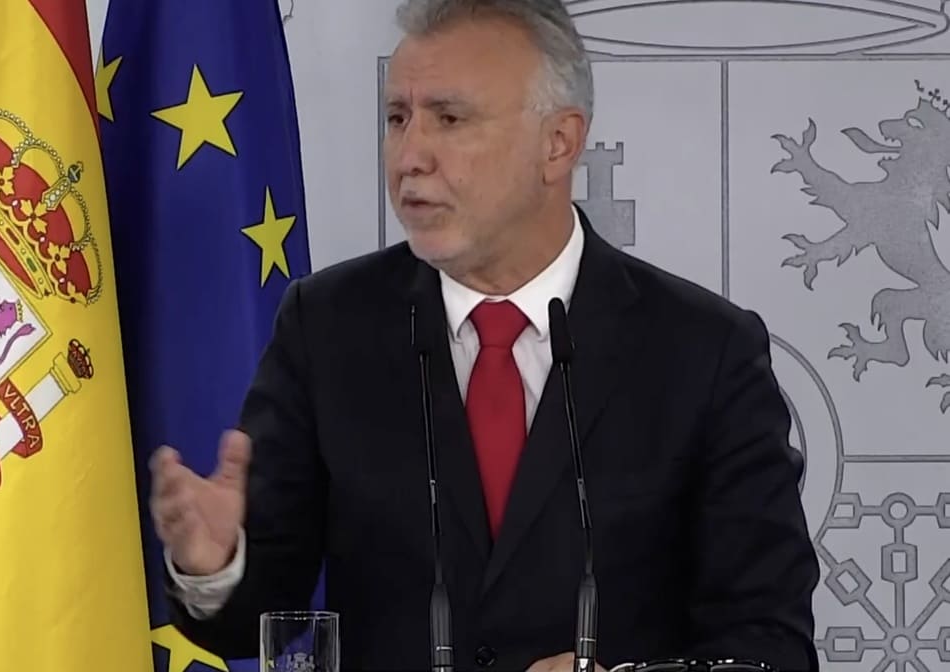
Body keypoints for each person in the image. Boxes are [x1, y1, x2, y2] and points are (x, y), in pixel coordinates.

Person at [148, 0, 820, 670]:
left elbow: (771, 644)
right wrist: (217, 565)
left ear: (558, 143)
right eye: (397, 118)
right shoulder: (326, 327)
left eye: (450, 119)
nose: (410, 156)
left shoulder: (704, 351)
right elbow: (262, 612)